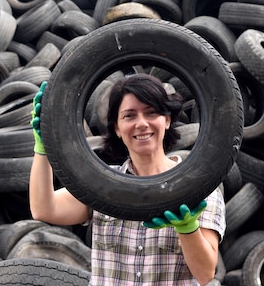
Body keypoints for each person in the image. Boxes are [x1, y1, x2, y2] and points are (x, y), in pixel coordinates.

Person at [29, 73, 226, 286]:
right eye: (129, 116)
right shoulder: (101, 183)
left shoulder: (199, 187)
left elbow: (205, 274)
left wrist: (188, 228)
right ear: (117, 128)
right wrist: (44, 146)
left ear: (167, 120)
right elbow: (43, 209)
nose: (141, 124)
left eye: (151, 113)